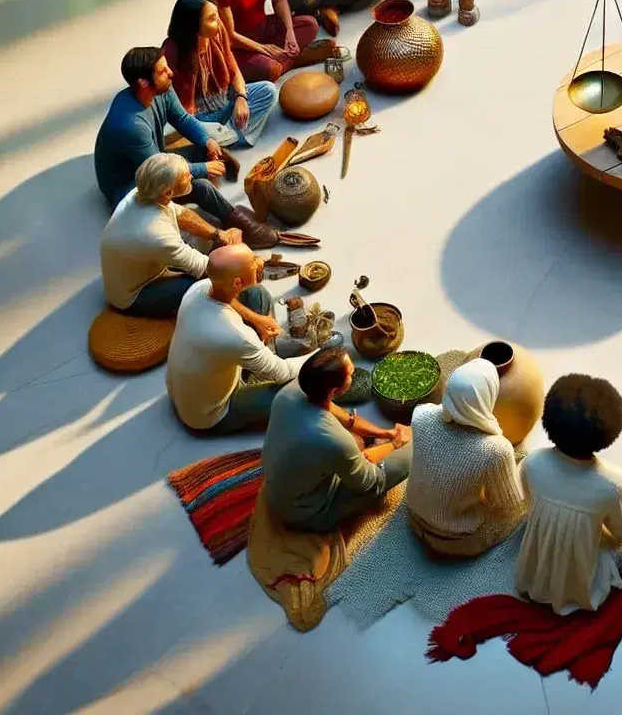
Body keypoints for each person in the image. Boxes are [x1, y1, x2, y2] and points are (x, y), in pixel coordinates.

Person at [92, 47, 277, 246]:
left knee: (201, 148)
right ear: (143, 82)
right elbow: (162, 170)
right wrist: (203, 169)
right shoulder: (131, 125)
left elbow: (181, 118)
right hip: (128, 185)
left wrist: (207, 140)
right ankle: (246, 229)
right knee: (200, 186)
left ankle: (211, 160)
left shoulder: (162, 88)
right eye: (163, 71)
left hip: (154, 159)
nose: (171, 73)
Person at [515, 374, 622, 614]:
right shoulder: (613, 482)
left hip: (532, 570)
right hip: (581, 574)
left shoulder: (532, 462)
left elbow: (529, 503)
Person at [261, 348, 414, 532]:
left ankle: (362, 455)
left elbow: (347, 419)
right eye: (350, 374)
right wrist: (396, 444)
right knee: (410, 451)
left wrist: (386, 434)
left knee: (354, 442)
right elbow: (368, 483)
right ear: (333, 391)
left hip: (282, 487)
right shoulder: (332, 438)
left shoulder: (291, 391)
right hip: (305, 512)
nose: (354, 373)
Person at [166, 244, 298, 434]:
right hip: (209, 414)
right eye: (254, 262)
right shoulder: (234, 334)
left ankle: (259, 359)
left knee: (256, 294)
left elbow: (229, 299)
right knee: (298, 387)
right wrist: (321, 354)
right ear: (237, 282)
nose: (259, 262)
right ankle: (261, 363)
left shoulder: (198, 288)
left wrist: (256, 319)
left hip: (186, 391)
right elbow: (284, 372)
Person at [404, 358, 528, 557]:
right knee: (520, 508)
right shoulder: (495, 450)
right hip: (454, 541)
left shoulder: (421, 414)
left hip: (413, 515)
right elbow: (509, 504)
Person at [100, 154, 242, 317]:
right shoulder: (156, 234)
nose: (191, 175)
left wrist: (218, 234)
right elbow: (208, 271)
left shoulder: (141, 192)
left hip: (131, 269)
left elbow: (182, 214)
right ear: (168, 192)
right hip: (134, 295)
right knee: (206, 284)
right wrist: (237, 259)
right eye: (185, 176)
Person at [161, 0, 276, 151]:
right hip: (197, 116)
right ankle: (224, 137)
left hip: (226, 101)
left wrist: (241, 97)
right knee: (178, 131)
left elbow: (233, 68)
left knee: (268, 90)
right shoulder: (171, 50)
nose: (218, 21)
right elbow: (169, 101)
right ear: (193, 24)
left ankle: (227, 137)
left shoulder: (217, 32)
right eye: (211, 19)